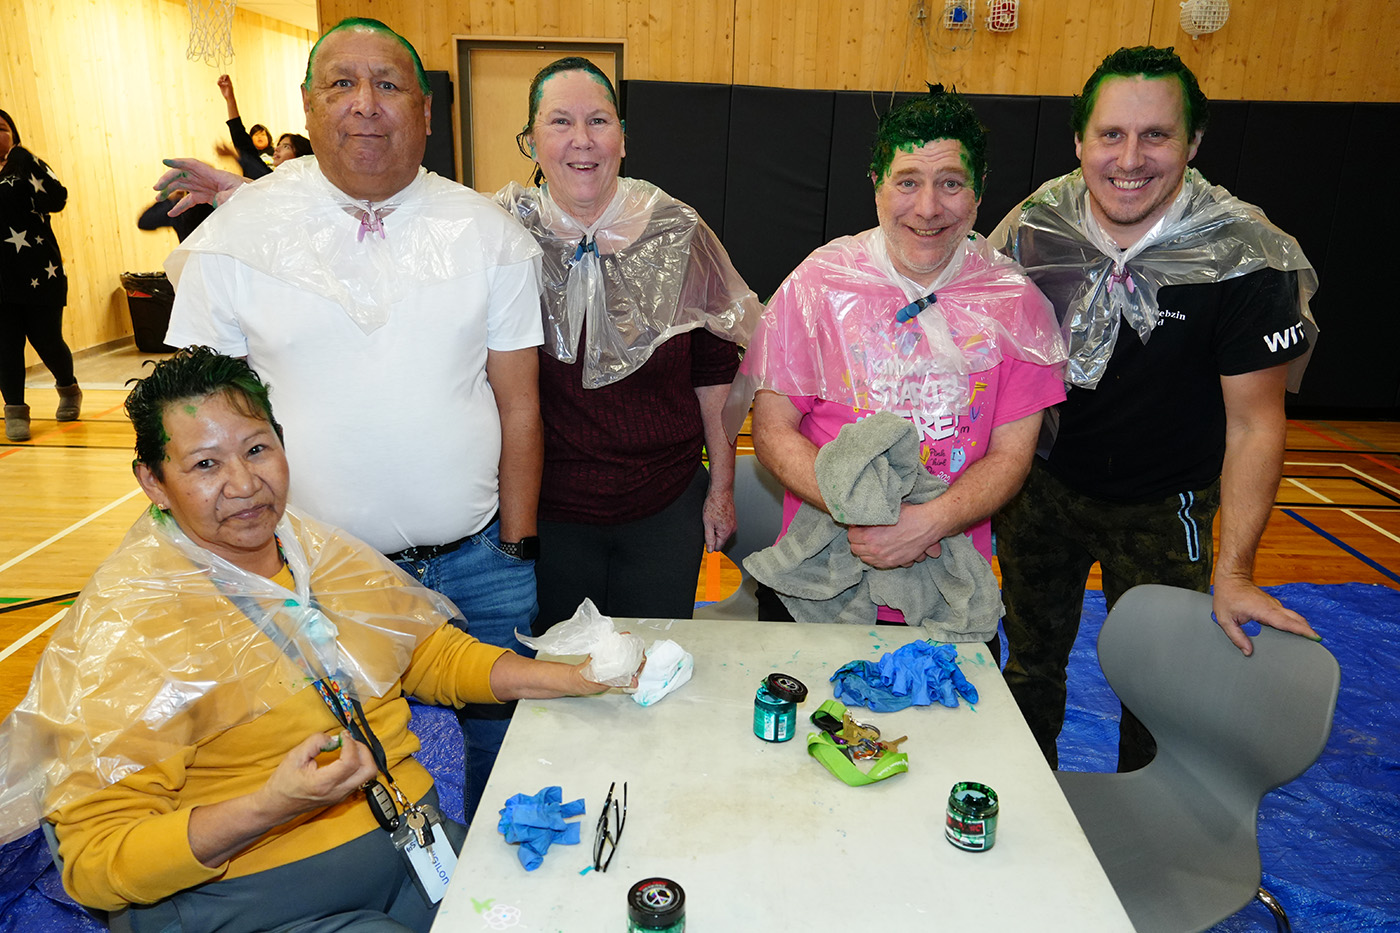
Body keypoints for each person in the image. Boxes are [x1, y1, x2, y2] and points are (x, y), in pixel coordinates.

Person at [0, 347, 620, 933]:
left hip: (408, 843)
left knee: (574, 909)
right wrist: (271, 805)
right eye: (206, 465)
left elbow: (424, 652)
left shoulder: (311, 549)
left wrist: (571, 676)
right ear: (154, 482)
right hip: (257, 900)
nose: (244, 484)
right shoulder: (129, 626)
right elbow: (97, 860)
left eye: (257, 449)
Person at [162, 18, 545, 827]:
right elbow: (193, 424)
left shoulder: (489, 235)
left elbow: (520, 403)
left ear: (426, 111)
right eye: (341, 83)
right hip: (310, 575)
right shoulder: (238, 238)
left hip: (479, 563)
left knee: (504, 756)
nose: (365, 103)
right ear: (308, 105)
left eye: (388, 84)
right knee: (331, 773)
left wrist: (515, 546)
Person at [989, 46, 1322, 772]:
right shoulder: (1036, 230)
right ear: (1079, 141)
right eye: (1111, 134)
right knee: (1028, 668)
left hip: (1165, 506)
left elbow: (1256, 424)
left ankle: (1145, 818)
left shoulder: (1242, 254)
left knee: (1160, 692)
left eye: (1157, 135)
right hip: (1041, 491)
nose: (1130, 158)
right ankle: (1026, 807)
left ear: (1193, 143)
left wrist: (1235, 572)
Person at [743, 86, 1067, 650]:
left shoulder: (1014, 303)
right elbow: (772, 433)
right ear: (877, 184)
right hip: (820, 584)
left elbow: (1012, 457)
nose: (928, 208)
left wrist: (927, 523)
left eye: (951, 183)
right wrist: (865, 513)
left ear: (979, 191)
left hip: (949, 590)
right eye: (908, 181)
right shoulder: (818, 286)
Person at [496, 58, 760, 634]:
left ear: (622, 137)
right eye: (560, 121)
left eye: (598, 120)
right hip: (547, 510)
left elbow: (715, 371)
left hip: (664, 505)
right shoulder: (502, 237)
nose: (582, 140)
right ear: (531, 140)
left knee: (652, 663)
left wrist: (721, 489)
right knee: (561, 671)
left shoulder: (677, 233)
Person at [0, 108, 81, 443]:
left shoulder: (28, 165)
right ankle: (15, 411)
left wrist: (26, 159)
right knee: (6, 347)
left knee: (47, 341)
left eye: (2, 128)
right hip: (1, 280)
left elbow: (56, 199)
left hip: (39, 273)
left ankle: (68, 388)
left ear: (14, 134)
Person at [216, 74, 275, 179]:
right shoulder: (255, 155)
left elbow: (263, 175)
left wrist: (234, 155)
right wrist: (230, 99)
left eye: (286, 146)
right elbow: (240, 137)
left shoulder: (287, 177)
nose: (278, 149)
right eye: (256, 135)